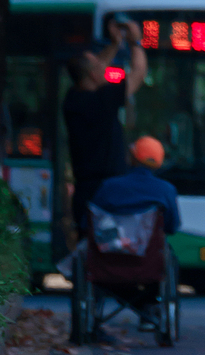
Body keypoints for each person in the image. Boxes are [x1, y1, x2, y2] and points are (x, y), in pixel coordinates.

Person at [63, 17, 147, 235]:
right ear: (93, 74)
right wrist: (135, 42)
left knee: (88, 249)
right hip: (109, 192)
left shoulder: (72, 99)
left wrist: (114, 44)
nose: (105, 66)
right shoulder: (103, 99)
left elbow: (93, 66)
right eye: (101, 65)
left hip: (85, 192)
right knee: (111, 250)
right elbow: (138, 74)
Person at [91, 135, 182, 235]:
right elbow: (172, 227)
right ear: (158, 164)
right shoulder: (167, 190)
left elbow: (90, 221)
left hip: (110, 249)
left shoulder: (109, 186)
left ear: (132, 158)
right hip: (152, 250)